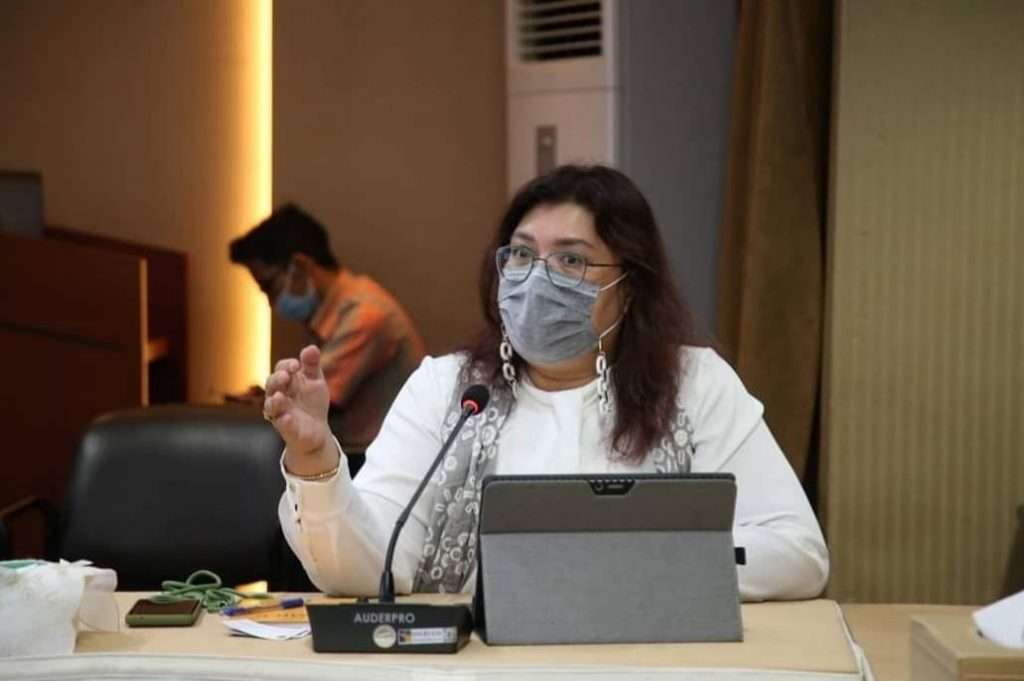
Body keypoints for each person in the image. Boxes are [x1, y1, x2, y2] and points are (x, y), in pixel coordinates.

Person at [262, 166, 829, 600]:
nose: (537, 279)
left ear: (629, 287)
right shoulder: (448, 390)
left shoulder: (695, 385)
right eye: (521, 255)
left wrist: (636, 565)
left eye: (571, 261)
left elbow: (797, 552)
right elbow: (368, 569)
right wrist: (315, 459)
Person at [230, 203, 426, 447]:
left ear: (300, 267)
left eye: (269, 286)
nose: (271, 302)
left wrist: (270, 403)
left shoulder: (363, 316)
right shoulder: (334, 313)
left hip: (375, 459)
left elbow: (307, 407)